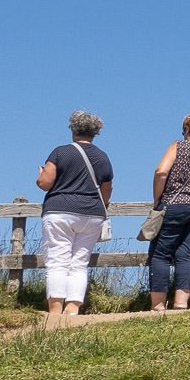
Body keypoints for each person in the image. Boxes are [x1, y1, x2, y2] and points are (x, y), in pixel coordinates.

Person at [34, 109, 112, 318]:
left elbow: (45, 184)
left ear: (72, 129)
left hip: (60, 211)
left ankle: (55, 310)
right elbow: (107, 188)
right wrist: (102, 205)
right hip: (92, 214)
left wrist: (41, 175)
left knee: (57, 260)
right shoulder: (103, 157)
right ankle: (73, 309)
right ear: (95, 132)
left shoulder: (61, 152)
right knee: (79, 263)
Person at [147, 113, 190, 311]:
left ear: (186, 129)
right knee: (187, 254)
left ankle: (158, 305)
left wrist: (157, 199)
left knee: (160, 253)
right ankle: (180, 304)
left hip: (175, 204)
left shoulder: (178, 146)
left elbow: (161, 171)